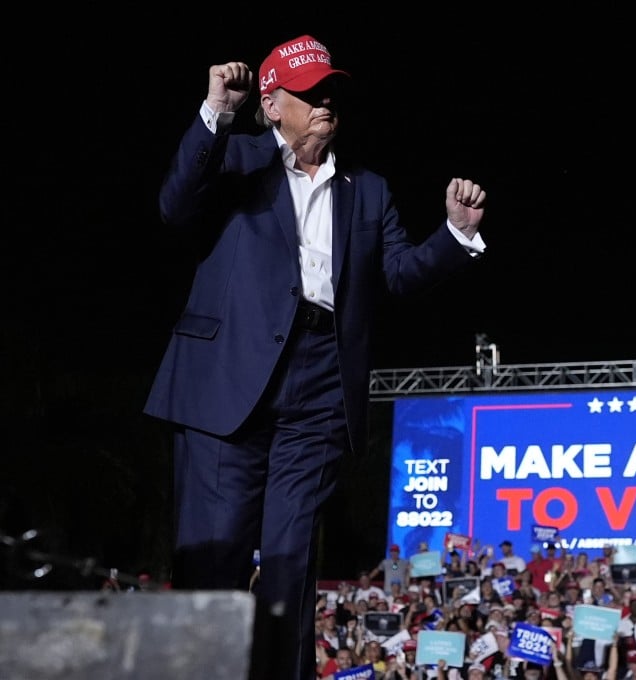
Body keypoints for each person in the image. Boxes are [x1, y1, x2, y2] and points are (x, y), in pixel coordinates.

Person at [143, 34, 488, 680]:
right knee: (212, 563)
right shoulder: (235, 159)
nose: (327, 101)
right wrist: (216, 110)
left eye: (332, 90)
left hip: (320, 385)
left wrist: (454, 235)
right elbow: (174, 206)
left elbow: (400, 275)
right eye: (310, 92)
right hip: (227, 383)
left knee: (291, 561)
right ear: (272, 105)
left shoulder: (368, 189)